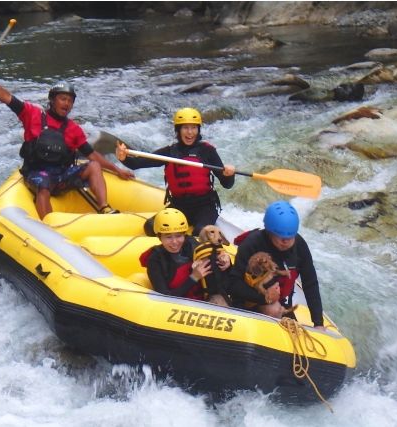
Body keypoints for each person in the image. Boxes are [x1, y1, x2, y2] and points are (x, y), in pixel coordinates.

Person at [0, 64, 134, 219]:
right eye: (62, 99)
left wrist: (117, 169)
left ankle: (104, 207)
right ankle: (48, 225)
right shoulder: (32, 113)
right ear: (52, 100)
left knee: (94, 166)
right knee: (43, 184)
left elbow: (91, 154)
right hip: (37, 174)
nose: (67, 103)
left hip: (61, 176)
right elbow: (5, 97)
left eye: (70, 101)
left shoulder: (73, 129)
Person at [115, 108, 235, 235]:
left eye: (193, 128)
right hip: (179, 206)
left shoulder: (207, 151)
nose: (190, 133)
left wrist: (229, 175)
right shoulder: (169, 152)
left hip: (205, 206)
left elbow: (227, 184)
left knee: (200, 232)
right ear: (178, 130)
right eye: (185, 128)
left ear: (198, 129)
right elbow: (137, 163)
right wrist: (123, 157)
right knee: (151, 227)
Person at [227, 200, 325, 328]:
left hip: (280, 304)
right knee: (272, 310)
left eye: (290, 238)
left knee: (287, 321)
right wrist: (266, 298)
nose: (285, 242)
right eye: (281, 237)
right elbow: (233, 284)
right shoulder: (252, 244)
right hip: (249, 302)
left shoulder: (300, 245)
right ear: (269, 232)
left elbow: (310, 283)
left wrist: (318, 323)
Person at [140, 208, 231, 305]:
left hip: (204, 300)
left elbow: (219, 275)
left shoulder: (191, 245)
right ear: (159, 237)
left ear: (184, 235)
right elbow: (164, 297)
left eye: (178, 236)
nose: (174, 242)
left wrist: (226, 262)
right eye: (168, 237)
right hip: (177, 305)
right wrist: (194, 277)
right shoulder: (155, 260)